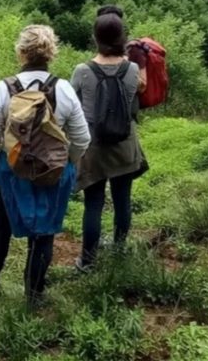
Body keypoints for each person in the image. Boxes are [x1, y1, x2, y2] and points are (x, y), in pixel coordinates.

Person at [0, 25, 90, 304]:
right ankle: (34, 293)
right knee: (44, 232)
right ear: (52, 53)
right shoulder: (62, 88)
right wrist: (68, 165)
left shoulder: (4, 89)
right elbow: (82, 138)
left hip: (11, 173)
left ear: (21, 52)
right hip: (52, 172)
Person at [73, 14, 148, 269]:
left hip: (93, 147)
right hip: (125, 145)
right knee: (122, 200)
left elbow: (72, 107)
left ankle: (88, 261)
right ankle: (118, 250)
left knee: (93, 204)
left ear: (95, 38)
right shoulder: (133, 70)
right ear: (121, 37)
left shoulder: (82, 71)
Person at [96, 4, 147, 95]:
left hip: (127, 106)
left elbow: (143, 86)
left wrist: (126, 69)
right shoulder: (101, 53)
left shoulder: (133, 49)